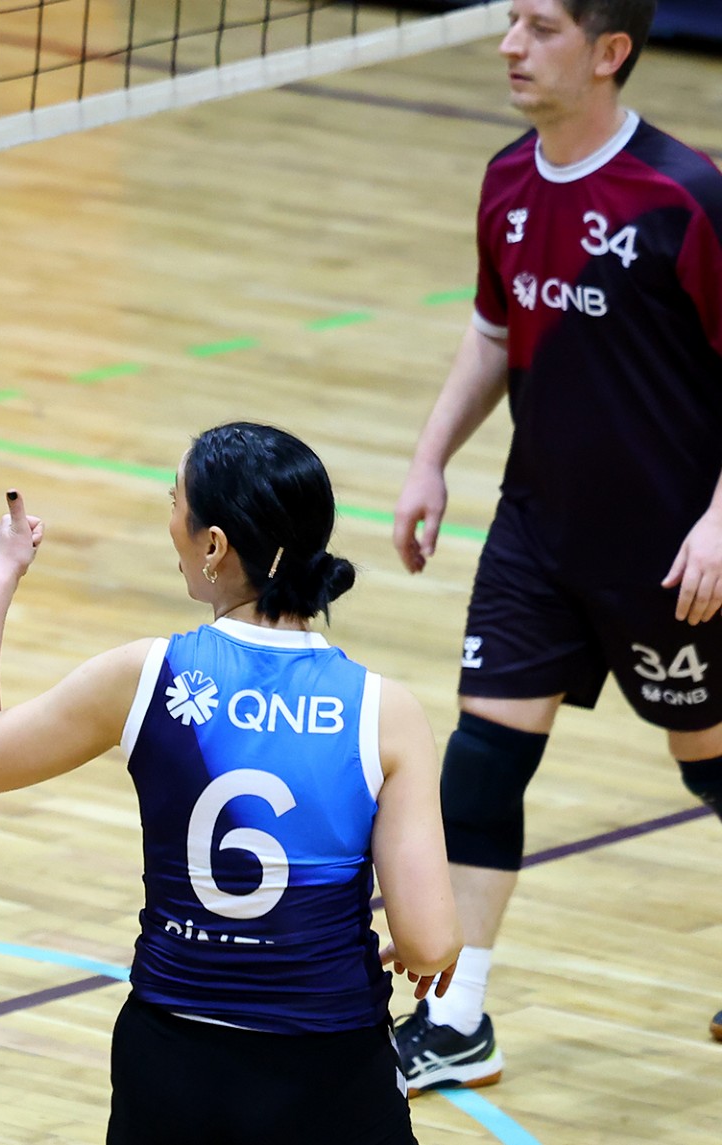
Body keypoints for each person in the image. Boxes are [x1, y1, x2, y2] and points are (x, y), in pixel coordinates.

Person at [0, 424, 461, 1145]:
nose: (169, 521)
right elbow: (428, 943)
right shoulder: (384, 712)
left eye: (174, 501)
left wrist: (2, 575)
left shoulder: (148, 676)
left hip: (174, 1063)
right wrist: (422, 948)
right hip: (332, 1068)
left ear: (213, 545)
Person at [389, 0, 722, 1081]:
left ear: (609, 51)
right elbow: (496, 329)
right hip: (538, 532)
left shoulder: (686, 195)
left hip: (673, 554)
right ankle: (456, 1018)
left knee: (711, 765)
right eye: (510, 23)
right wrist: (431, 457)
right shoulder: (505, 179)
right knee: (482, 765)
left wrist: (721, 522)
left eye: (539, 27)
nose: (509, 46)